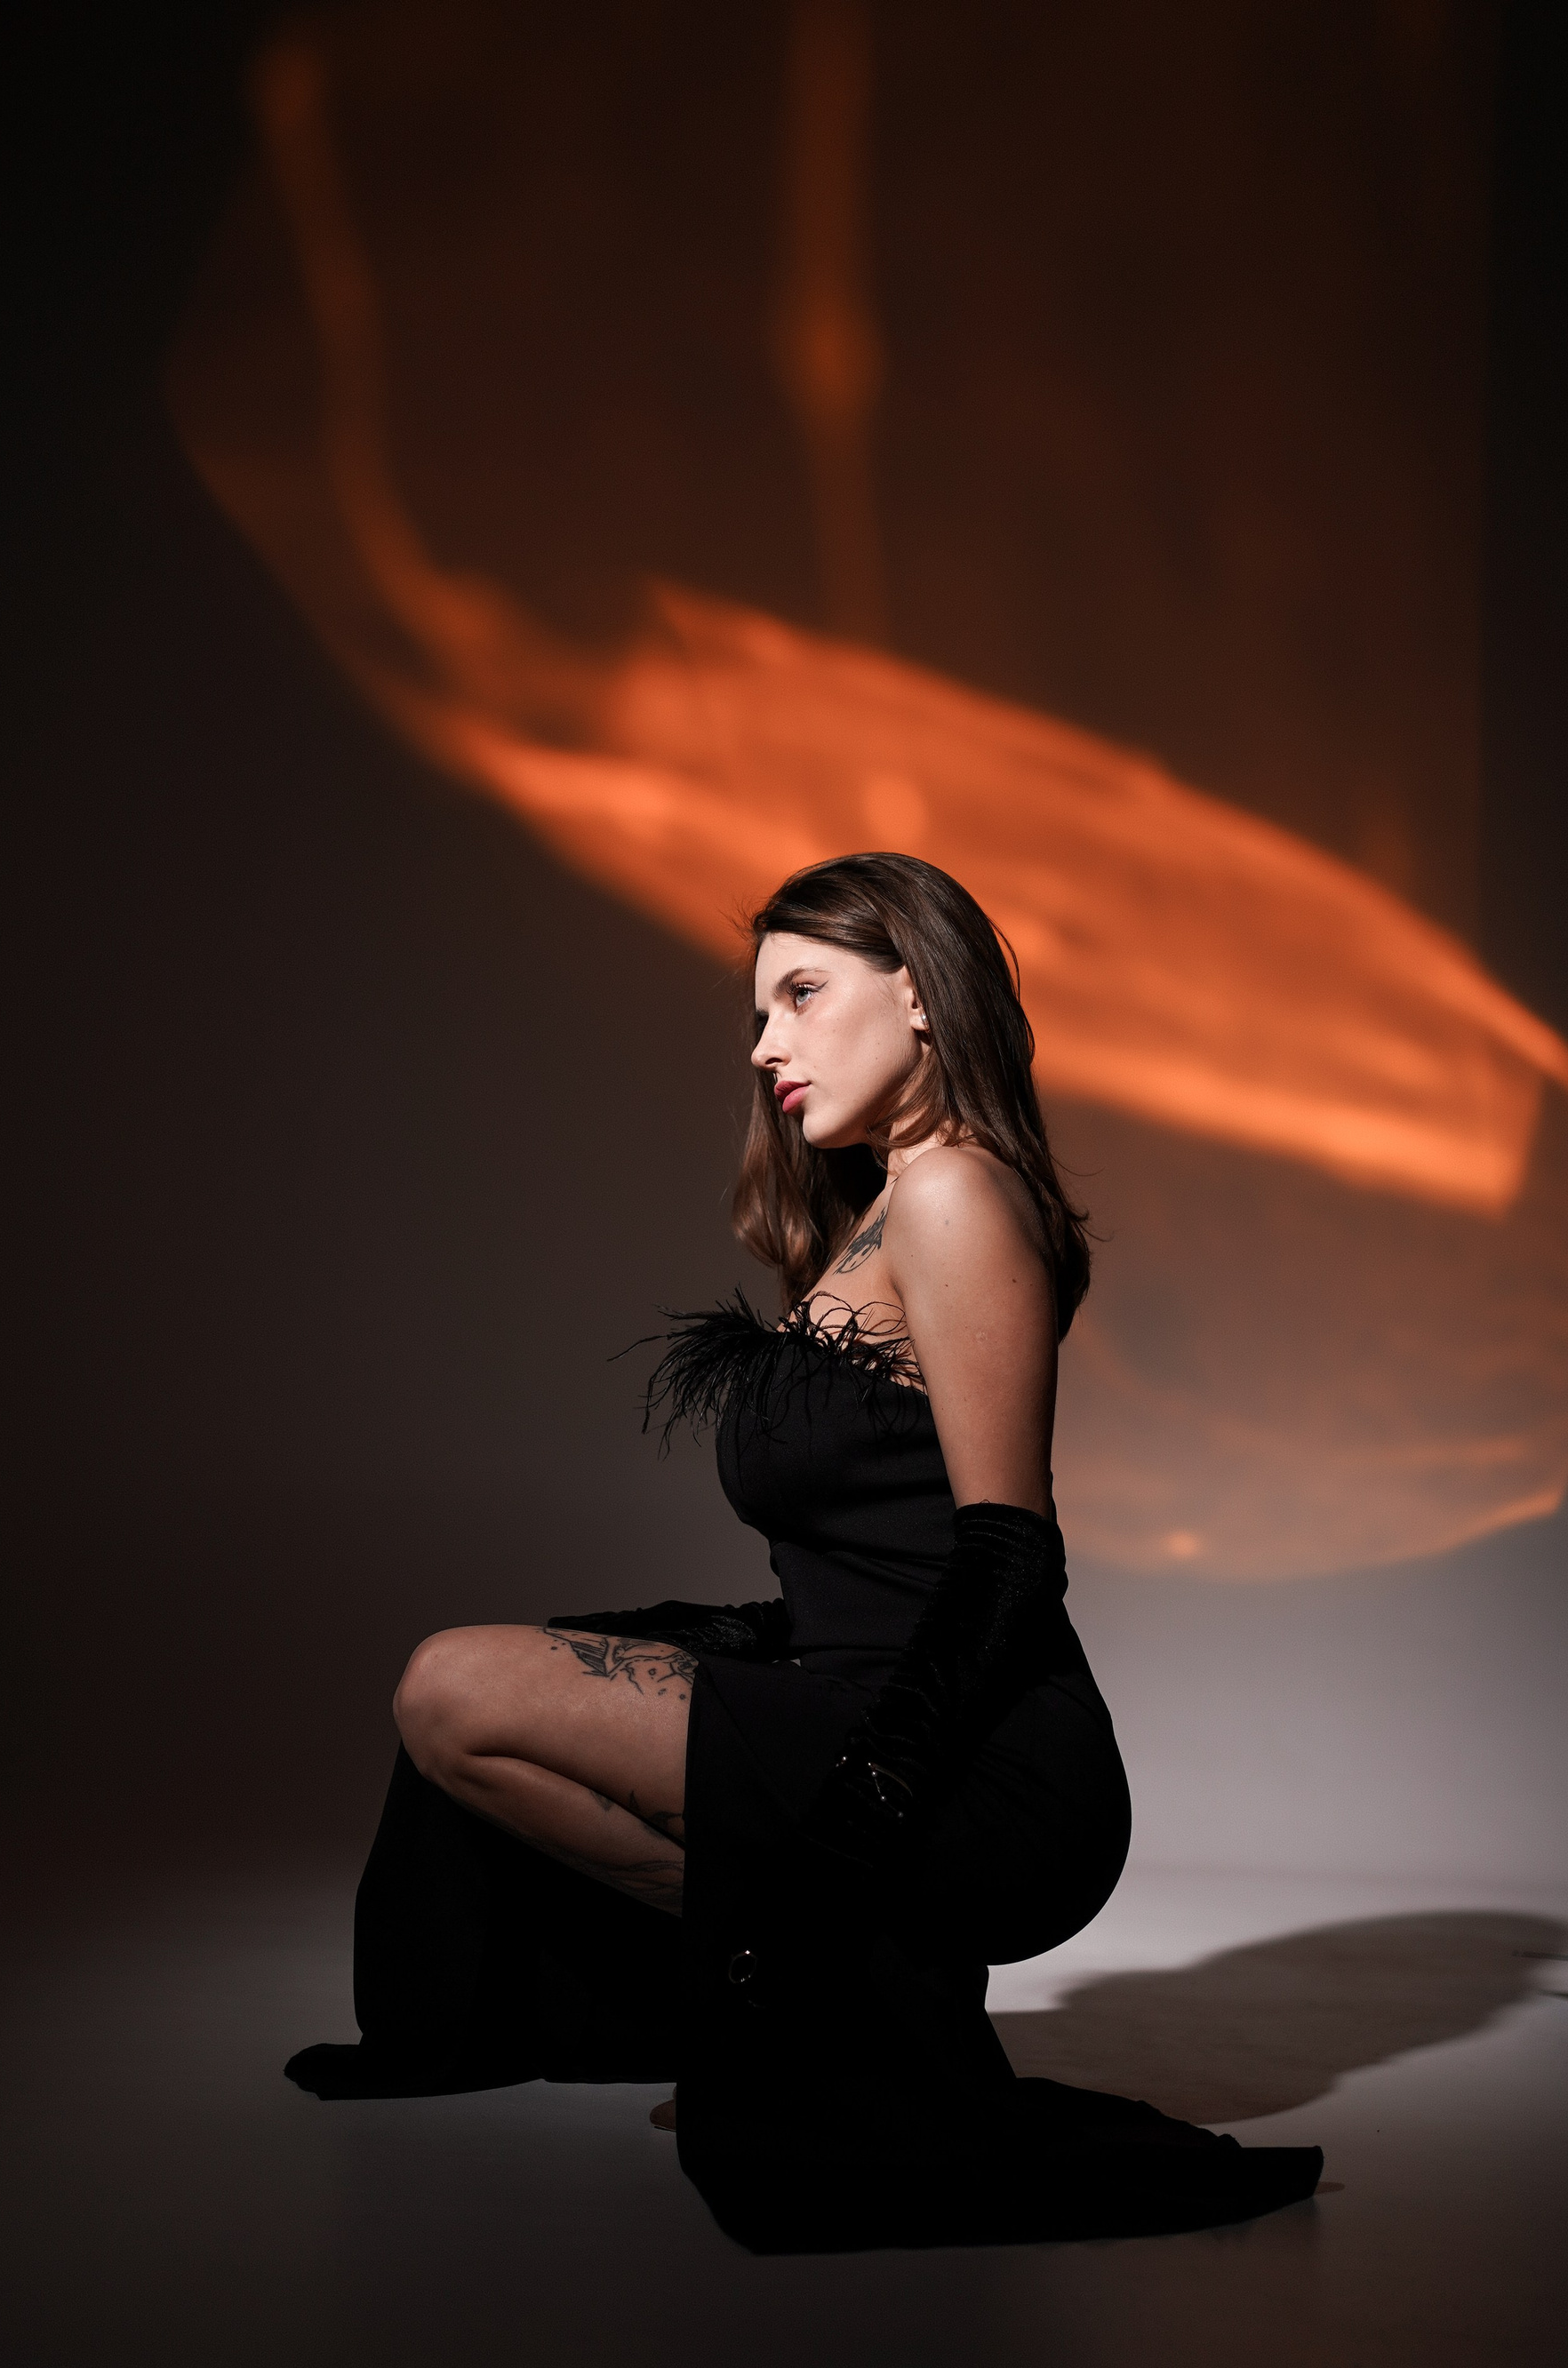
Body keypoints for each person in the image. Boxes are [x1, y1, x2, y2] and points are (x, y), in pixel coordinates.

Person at [288, 853, 1321, 2239]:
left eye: (803, 994)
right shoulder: (875, 1215)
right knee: (474, 1704)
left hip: (987, 1766)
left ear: (921, 995)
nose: (765, 1044)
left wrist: (872, 1804)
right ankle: (809, 1976)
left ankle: (809, 1962)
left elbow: (1011, 1556)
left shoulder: (956, 1197)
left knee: (452, 1687)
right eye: (759, 1011)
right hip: (858, 1705)